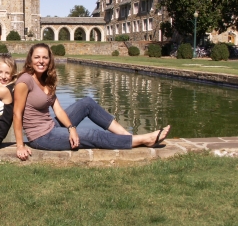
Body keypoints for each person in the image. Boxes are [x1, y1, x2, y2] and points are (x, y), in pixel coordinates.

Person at [13, 43, 171, 161]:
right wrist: (20, 145)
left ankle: (126, 136)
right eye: (37, 57)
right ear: (30, 60)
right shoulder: (25, 80)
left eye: (45, 57)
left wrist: (71, 127)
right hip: (41, 137)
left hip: (52, 126)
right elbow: (17, 114)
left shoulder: (46, 80)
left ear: (50, 60)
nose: (41, 61)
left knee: (87, 103)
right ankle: (144, 139)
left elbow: (59, 111)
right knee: (91, 135)